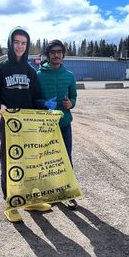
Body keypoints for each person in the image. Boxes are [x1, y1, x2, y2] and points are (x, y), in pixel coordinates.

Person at [0, 27, 51, 223]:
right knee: (10, 162)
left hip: (29, 124)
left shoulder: (30, 72)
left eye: (23, 43)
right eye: (16, 42)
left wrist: (46, 106)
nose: (19, 46)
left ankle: (30, 200)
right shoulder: (0, 69)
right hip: (9, 123)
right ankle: (11, 202)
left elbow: (37, 97)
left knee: (30, 162)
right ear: (10, 43)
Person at [36, 39, 78, 209]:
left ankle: (68, 193)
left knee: (66, 158)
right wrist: (44, 103)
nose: (56, 55)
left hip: (64, 124)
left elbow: (74, 96)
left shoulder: (69, 76)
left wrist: (71, 104)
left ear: (63, 55)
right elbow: (34, 99)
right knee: (47, 160)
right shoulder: (38, 75)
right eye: (53, 52)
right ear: (47, 55)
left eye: (59, 52)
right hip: (45, 126)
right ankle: (50, 192)